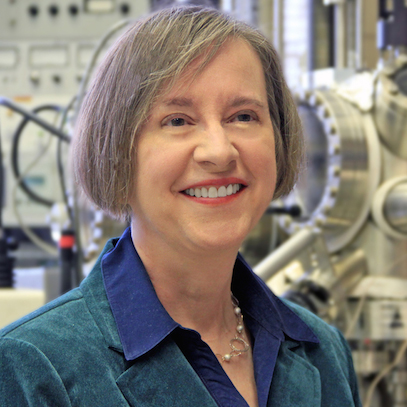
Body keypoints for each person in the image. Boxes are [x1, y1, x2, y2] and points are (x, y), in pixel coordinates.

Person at [0, 5, 361, 407]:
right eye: (177, 120)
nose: (219, 151)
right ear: (117, 150)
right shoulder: (31, 369)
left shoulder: (324, 352)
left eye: (243, 116)